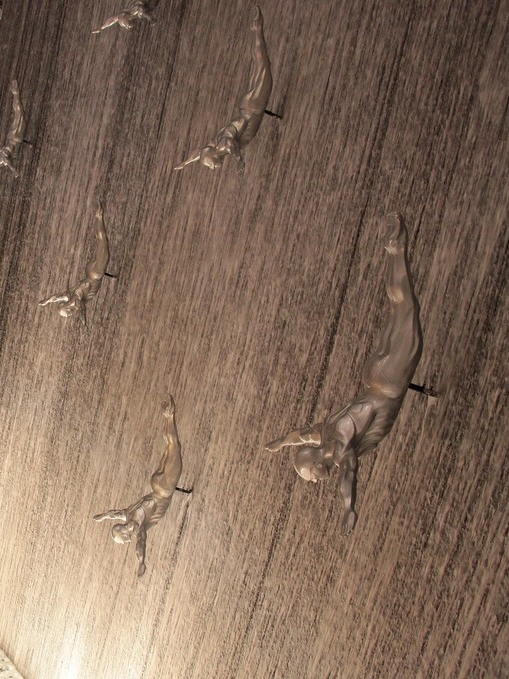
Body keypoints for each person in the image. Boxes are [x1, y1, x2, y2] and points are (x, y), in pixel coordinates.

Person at [265, 214, 423, 535]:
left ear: (315, 464)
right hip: (373, 375)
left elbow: (348, 474)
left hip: (390, 384)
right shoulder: (322, 432)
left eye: (311, 476)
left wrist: (350, 508)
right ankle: (394, 250)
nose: (313, 481)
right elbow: (300, 434)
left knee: (406, 307)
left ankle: (396, 247)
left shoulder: (337, 447)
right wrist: (281, 443)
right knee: (398, 307)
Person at [94, 394, 184, 577]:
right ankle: (167, 417)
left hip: (165, 490)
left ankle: (170, 415)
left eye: (122, 541)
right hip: (156, 483)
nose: (125, 543)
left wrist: (141, 562)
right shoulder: (126, 514)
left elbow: (140, 544)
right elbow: (114, 513)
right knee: (171, 447)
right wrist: (102, 517)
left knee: (174, 447)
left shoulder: (137, 527)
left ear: (123, 534)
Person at [174, 7, 272, 174]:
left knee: (263, 65)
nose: (212, 167)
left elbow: (230, 144)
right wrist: (185, 162)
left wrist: (239, 160)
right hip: (248, 106)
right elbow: (198, 152)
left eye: (210, 164)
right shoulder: (212, 145)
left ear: (213, 155)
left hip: (254, 107)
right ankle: (256, 29)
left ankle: (258, 28)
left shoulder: (221, 147)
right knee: (260, 66)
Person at [38, 203, 111, 325]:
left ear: (67, 307)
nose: (70, 314)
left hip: (96, 274)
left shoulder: (74, 301)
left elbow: (81, 307)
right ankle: (98, 218)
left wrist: (84, 321)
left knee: (103, 241)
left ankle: (99, 217)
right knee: (101, 242)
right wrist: (46, 301)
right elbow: (56, 297)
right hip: (89, 272)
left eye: (68, 313)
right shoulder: (67, 296)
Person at [92, 0, 157, 33]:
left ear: (127, 18)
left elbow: (140, 8)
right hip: (141, 5)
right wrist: (102, 27)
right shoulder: (121, 16)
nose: (128, 27)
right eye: (127, 26)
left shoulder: (133, 11)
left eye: (127, 25)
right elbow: (112, 20)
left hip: (144, 3)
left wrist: (151, 19)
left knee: (146, 9)